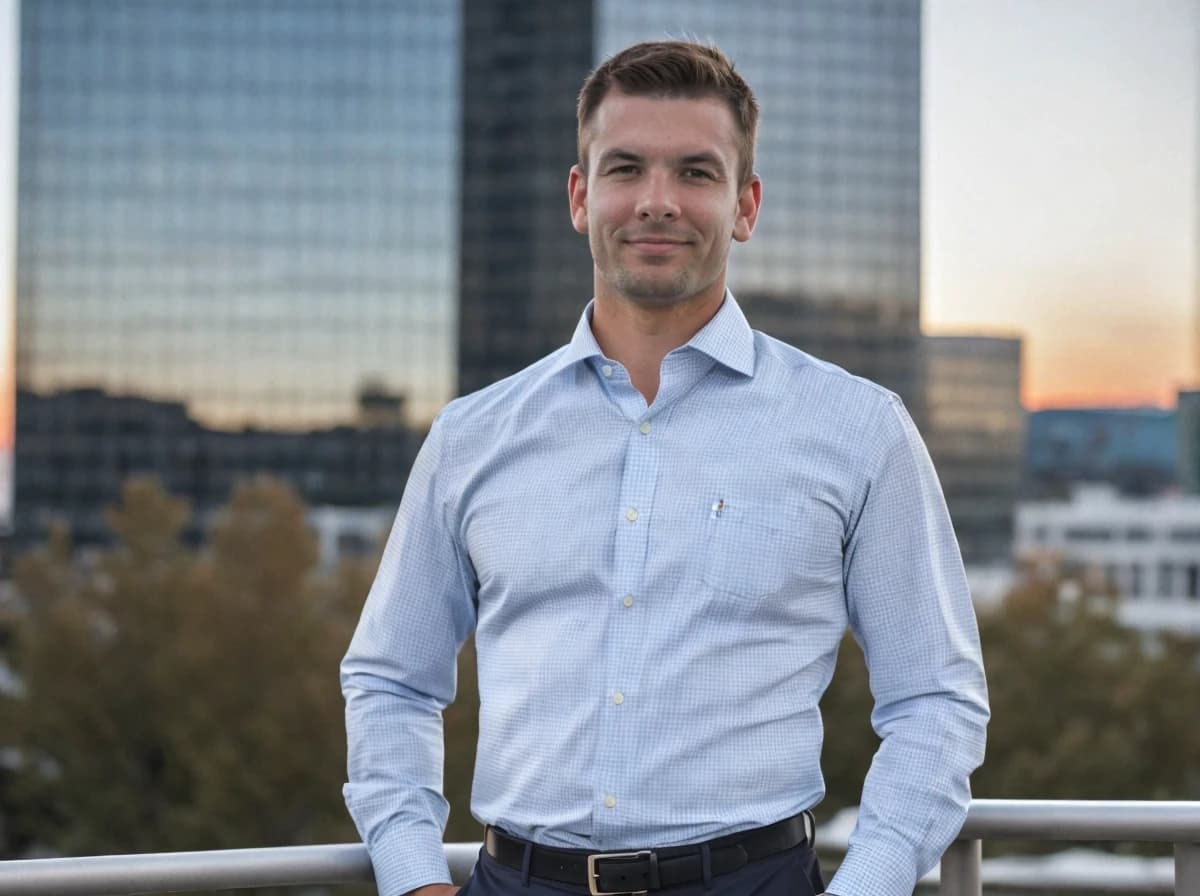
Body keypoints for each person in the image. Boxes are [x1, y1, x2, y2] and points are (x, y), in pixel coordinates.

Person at [342, 40, 989, 896]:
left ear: (745, 205)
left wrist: (868, 882)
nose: (656, 202)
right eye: (625, 169)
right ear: (581, 197)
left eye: (695, 172)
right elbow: (390, 678)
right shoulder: (472, 437)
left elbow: (935, 701)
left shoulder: (859, 430)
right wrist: (413, 874)